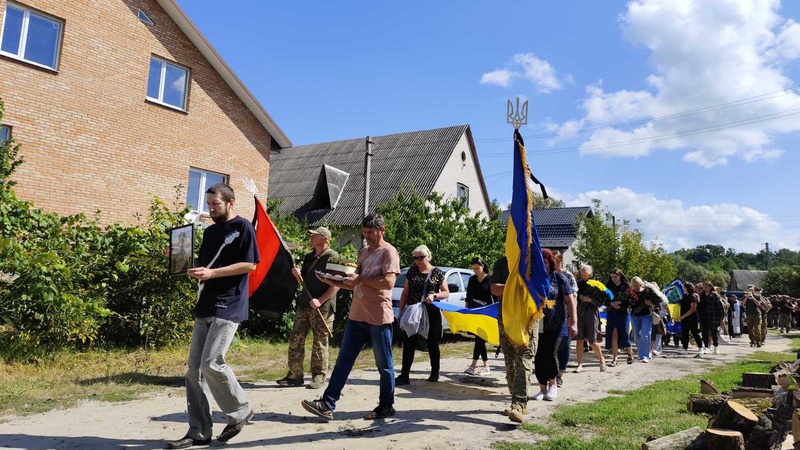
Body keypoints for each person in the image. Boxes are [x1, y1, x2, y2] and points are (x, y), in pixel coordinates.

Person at [167, 183, 259, 450]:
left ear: (231, 203)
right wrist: (181, 259)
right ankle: (198, 431)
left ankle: (241, 410)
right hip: (205, 304)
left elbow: (250, 265)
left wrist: (212, 274)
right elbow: (204, 266)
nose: (211, 209)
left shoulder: (243, 227)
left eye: (215, 204)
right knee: (194, 371)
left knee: (211, 363)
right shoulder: (209, 232)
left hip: (229, 305)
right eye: (209, 204)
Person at [302, 214, 400, 421]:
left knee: (384, 365)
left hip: (378, 318)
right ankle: (327, 404)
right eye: (364, 232)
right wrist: (331, 281)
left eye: (371, 232)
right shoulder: (363, 252)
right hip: (357, 316)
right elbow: (355, 283)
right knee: (343, 361)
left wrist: (360, 278)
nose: (367, 236)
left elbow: (388, 283)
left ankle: (386, 406)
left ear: (382, 231)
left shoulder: (389, 252)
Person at [276, 227, 339, 389]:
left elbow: (337, 284)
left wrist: (320, 300)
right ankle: (294, 375)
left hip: (323, 307)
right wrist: (297, 275)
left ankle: (318, 376)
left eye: (314, 235)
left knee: (319, 342)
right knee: (296, 339)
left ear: (324, 239)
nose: (311, 237)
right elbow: (303, 281)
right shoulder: (309, 256)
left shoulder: (332, 257)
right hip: (305, 303)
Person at [396, 245, 450, 384]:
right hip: (413, 311)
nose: (418, 260)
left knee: (432, 342)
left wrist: (434, 296)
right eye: (415, 258)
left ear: (428, 257)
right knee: (409, 341)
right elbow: (405, 293)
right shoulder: (412, 271)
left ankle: (434, 373)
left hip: (431, 311)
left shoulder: (436, 272)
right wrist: (401, 312)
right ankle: (404, 375)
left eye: (421, 257)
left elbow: (446, 292)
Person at [491, 255, 536, 423]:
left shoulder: (534, 260)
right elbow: (494, 288)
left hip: (528, 317)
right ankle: (515, 400)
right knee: (510, 359)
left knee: (524, 357)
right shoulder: (503, 262)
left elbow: (542, 288)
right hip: (507, 317)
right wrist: (512, 286)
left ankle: (519, 404)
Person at [531, 249, 577, 402]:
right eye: (539, 262)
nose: (542, 265)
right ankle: (542, 388)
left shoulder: (559, 277)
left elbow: (570, 300)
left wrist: (573, 322)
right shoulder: (532, 278)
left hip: (556, 322)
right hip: (536, 322)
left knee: (550, 353)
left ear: (550, 262)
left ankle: (553, 384)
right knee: (538, 355)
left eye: (545, 262)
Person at [464, 256, 493, 377]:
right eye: (473, 268)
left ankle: (475, 365)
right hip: (474, 311)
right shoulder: (472, 280)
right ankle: (484, 365)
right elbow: (468, 297)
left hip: (486, 312)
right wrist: (466, 311)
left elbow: (494, 298)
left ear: (482, 266)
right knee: (479, 338)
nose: (475, 270)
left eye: (477, 268)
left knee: (479, 338)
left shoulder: (490, 279)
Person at [574, 264, 606, 373]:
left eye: (586, 275)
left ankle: (601, 359)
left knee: (592, 341)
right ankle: (579, 364)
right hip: (579, 312)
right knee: (579, 340)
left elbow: (601, 301)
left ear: (590, 274)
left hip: (591, 313)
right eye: (582, 274)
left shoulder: (596, 285)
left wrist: (590, 300)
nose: (583, 276)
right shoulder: (577, 284)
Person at [629, 277, 663, 363]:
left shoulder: (648, 291)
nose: (636, 286)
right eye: (634, 285)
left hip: (647, 315)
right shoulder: (630, 293)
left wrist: (650, 304)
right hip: (634, 316)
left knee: (646, 334)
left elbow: (658, 303)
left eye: (637, 284)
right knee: (636, 335)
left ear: (641, 284)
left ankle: (644, 356)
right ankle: (641, 352)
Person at [605, 268, 634, 366]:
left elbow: (632, 301)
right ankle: (615, 359)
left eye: (615, 277)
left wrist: (621, 303)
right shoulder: (608, 287)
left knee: (624, 333)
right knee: (613, 334)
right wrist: (611, 303)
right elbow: (604, 299)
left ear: (620, 276)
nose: (613, 279)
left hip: (623, 313)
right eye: (612, 277)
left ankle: (629, 352)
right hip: (612, 313)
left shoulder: (627, 287)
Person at [677, 283, 704, 356]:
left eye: (684, 287)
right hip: (685, 318)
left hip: (692, 318)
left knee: (694, 332)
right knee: (684, 333)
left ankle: (700, 348)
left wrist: (683, 316)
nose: (683, 288)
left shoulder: (692, 296)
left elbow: (693, 308)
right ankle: (685, 348)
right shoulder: (685, 296)